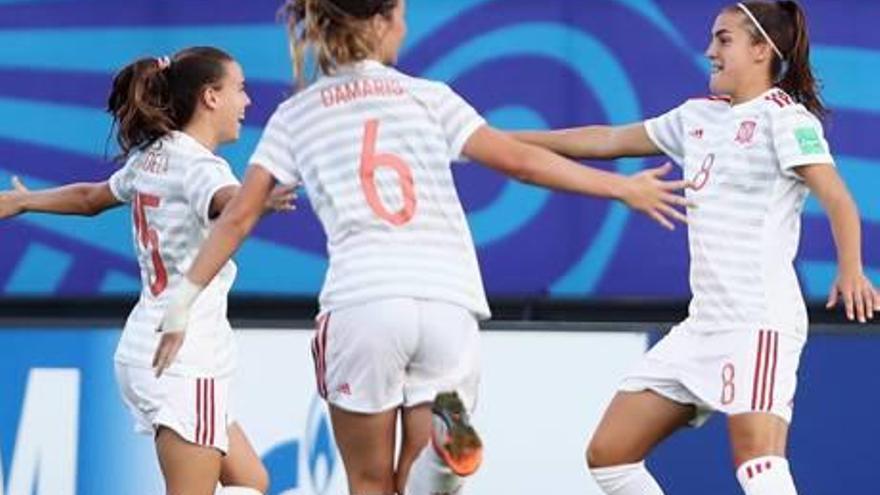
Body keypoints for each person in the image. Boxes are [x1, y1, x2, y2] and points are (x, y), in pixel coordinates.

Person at [154, 1, 691, 494]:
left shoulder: (297, 115)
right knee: (422, 482)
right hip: (445, 300)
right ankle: (439, 456)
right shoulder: (429, 97)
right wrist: (623, 186)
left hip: (363, 303)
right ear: (384, 20)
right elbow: (521, 162)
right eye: (403, 16)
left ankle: (438, 457)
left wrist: (182, 303)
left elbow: (240, 215)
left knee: (368, 481)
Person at [514, 2, 880, 494]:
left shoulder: (785, 120)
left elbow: (836, 195)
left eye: (723, 39)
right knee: (609, 455)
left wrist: (852, 269)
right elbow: (606, 138)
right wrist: (503, 139)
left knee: (758, 464)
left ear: (760, 50)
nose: (710, 50)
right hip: (703, 326)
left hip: (758, 321)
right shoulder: (696, 118)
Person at [0, 46, 293, 495]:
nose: (248, 101)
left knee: (251, 480)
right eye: (239, 89)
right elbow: (225, 203)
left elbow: (90, 198)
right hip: (184, 357)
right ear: (210, 96)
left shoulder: (156, 155)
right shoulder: (200, 166)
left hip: (146, 349)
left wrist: (25, 200)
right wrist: (255, 201)